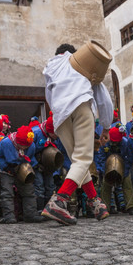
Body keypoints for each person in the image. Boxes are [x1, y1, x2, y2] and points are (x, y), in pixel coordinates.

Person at [41, 43, 114, 225]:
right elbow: (103, 98)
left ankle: (95, 202)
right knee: (83, 159)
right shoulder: (81, 62)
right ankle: (59, 201)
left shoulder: (51, 66)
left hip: (60, 115)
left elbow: (49, 96)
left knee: (77, 161)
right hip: (81, 105)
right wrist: (105, 126)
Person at [0, 124, 43, 223]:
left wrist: (33, 165)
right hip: (6, 170)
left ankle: (30, 214)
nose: (24, 148)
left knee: (29, 191)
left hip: (22, 169)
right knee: (7, 193)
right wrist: (6, 167)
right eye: (22, 145)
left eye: (26, 146)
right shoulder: (6, 143)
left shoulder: (31, 145)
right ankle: (9, 216)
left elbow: (31, 157)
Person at [95, 126, 133, 215]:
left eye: (117, 142)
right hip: (108, 167)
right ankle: (105, 207)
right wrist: (104, 170)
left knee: (127, 185)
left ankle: (131, 206)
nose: (115, 143)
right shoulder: (105, 144)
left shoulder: (126, 143)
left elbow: (129, 158)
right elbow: (101, 157)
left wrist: (125, 171)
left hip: (123, 166)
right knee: (105, 186)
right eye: (113, 142)